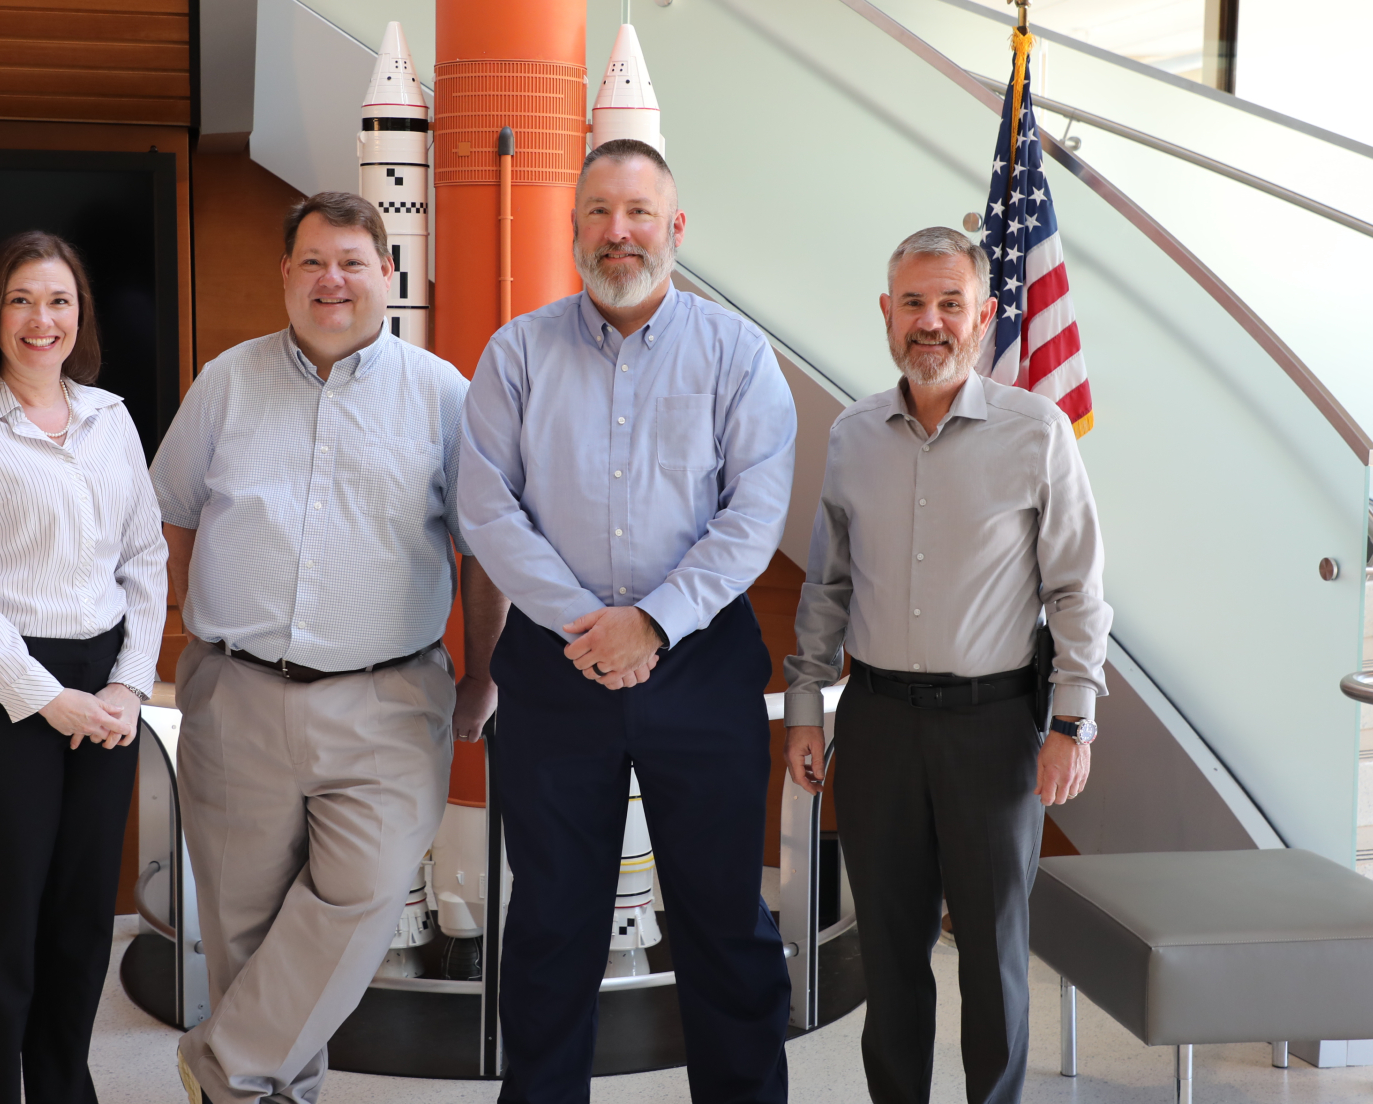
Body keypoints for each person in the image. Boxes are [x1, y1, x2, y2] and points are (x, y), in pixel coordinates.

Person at [458, 138, 798, 1104]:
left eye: (639, 213)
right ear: (573, 230)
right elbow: (487, 510)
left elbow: (754, 518)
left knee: (723, 918)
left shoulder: (736, 353)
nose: (619, 232)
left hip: (701, 666)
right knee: (553, 924)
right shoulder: (516, 353)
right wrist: (588, 626)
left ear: (675, 229)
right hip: (554, 669)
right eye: (599, 213)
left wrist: (649, 623)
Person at [153, 192, 508, 1104]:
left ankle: (221, 1065)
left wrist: (480, 676)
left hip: (390, 698)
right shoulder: (225, 382)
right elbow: (172, 520)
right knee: (246, 929)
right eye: (312, 262)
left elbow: (485, 555)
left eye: (351, 261)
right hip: (236, 691)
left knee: (366, 891)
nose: (331, 280)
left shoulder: (442, 395)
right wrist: (186, 638)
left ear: (386, 275)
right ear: (285, 274)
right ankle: (264, 1093)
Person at [784, 226, 1111, 1104]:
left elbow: (1078, 589)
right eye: (915, 304)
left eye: (951, 304)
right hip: (880, 723)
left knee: (994, 956)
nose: (931, 322)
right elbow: (827, 585)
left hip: (995, 728)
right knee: (887, 952)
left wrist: (1073, 720)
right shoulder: (853, 434)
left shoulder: (1036, 432)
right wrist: (807, 707)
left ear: (984, 316)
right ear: (887, 315)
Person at [0, 230, 168, 1104]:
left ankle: (63, 1090)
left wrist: (128, 684)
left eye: (58, 300)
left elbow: (145, 560)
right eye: (21, 299)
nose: (40, 319)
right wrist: (49, 699)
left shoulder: (111, 419)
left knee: (83, 924)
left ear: (80, 314)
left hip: (106, 691)